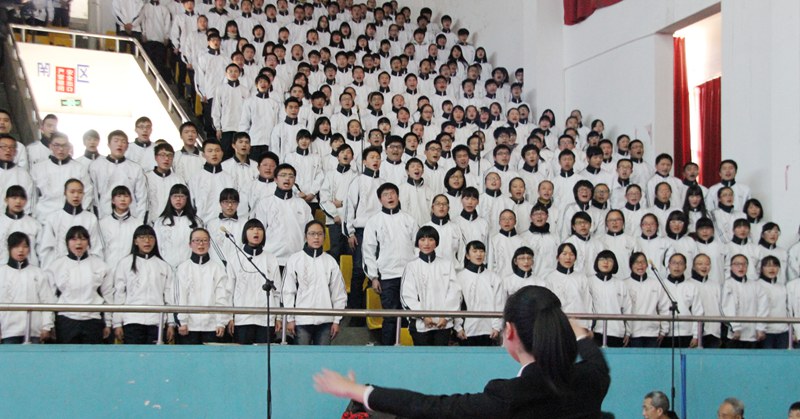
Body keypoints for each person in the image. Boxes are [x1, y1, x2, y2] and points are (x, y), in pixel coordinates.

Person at [314, 286, 610, 418]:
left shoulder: (508, 396)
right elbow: (595, 358)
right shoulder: (592, 378)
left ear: (509, 332)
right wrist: (580, 335)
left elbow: (428, 407)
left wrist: (357, 390)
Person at [361, 182, 417, 345]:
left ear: (398, 196)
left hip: (409, 277)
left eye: (392, 193)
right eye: (385, 195)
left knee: (411, 316)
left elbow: (418, 247)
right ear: (380, 199)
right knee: (391, 317)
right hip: (387, 277)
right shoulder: (374, 221)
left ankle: (409, 351)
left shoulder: (409, 220)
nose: (390, 197)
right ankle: (387, 351)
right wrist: (374, 277)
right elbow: (368, 251)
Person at [282, 221, 347, 345]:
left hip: (326, 321)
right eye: (312, 234)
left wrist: (336, 320)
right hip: (301, 321)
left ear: (324, 237)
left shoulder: (331, 261)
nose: (316, 237)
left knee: (322, 356)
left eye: (320, 234)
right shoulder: (294, 260)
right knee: (302, 355)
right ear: (305, 236)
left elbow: (339, 293)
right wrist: (290, 318)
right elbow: (287, 292)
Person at [48, 226, 112, 344]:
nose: (78, 243)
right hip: (66, 319)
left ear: (88, 242)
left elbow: (108, 295)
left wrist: (108, 322)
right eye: (74, 239)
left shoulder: (100, 266)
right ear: (67, 243)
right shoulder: (56, 266)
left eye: (83, 239)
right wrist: (49, 324)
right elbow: (50, 297)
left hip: (93, 319)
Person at [112, 225, 175, 345]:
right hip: (132, 320)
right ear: (135, 241)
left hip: (157, 321)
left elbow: (168, 296)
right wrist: (117, 323)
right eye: (142, 237)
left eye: (151, 237)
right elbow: (119, 294)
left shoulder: (163, 266)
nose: (147, 241)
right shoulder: (125, 263)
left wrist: (171, 323)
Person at [400, 226, 460, 346]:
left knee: (441, 356)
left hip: (443, 324)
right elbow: (407, 296)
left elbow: (455, 292)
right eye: (422, 240)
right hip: (420, 325)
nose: (426, 243)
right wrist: (424, 316)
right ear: (417, 243)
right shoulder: (411, 266)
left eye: (430, 239)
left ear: (436, 242)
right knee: (423, 357)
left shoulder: (446, 264)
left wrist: (446, 317)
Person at [225, 219, 282, 345]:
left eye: (259, 229)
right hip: (242, 319)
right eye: (251, 229)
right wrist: (230, 317)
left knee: (264, 354)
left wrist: (278, 316)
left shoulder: (271, 258)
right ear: (245, 234)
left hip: (266, 319)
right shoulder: (235, 258)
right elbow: (229, 291)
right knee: (243, 354)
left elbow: (276, 291)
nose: (256, 232)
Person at [175, 228, 229, 344]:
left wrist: (221, 323)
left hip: (212, 327)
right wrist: (182, 322)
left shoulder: (218, 269)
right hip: (189, 327)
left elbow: (222, 297)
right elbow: (180, 297)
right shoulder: (182, 268)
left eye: (204, 240)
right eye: (197, 240)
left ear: (209, 244)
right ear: (190, 244)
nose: (201, 244)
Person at [0, 232, 55, 343]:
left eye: (25, 246)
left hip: (34, 331)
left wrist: (46, 326)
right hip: (8, 331)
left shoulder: (38, 273)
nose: (21, 250)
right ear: (9, 248)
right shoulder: (2, 273)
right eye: (16, 246)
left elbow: (47, 301)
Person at [454, 240, 503, 346]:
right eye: (475, 251)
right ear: (467, 255)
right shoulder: (460, 277)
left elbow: (499, 303)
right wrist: (458, 328)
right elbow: (456, 304)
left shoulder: (494, 277)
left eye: (481, 251)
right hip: (467, 331)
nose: (479, 254)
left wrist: (496, 327)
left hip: (489, 330)